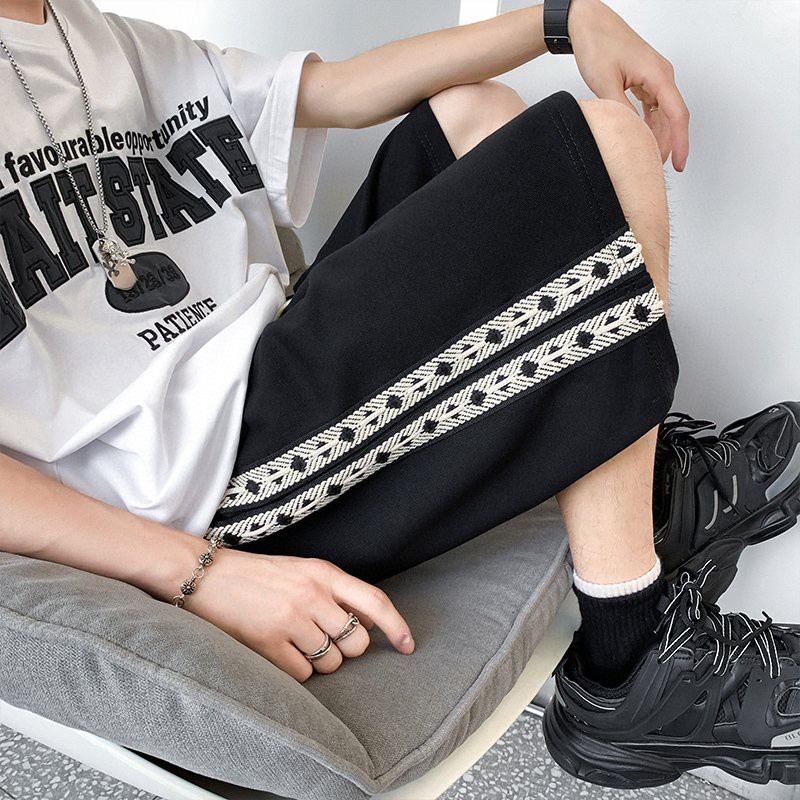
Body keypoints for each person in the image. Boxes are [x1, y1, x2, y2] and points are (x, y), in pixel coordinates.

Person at [0, 0, 797, 790]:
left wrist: (561, 21)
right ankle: (629, 662)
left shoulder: (90, 34)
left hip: (264, 355)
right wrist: (203, 572)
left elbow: (339, 90)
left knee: (475, 113)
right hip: (200, 474)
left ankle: (639, 485)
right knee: (606, 144)